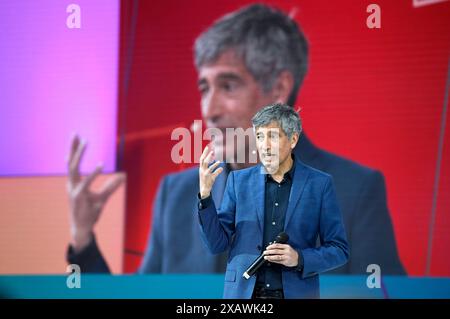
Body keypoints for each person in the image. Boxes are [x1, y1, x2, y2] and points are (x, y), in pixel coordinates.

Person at [67, 3, 405, 275]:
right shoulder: (178, 194)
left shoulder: (354, 190)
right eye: (204, 88)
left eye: (228, 86)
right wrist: (83, 238)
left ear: (279, 89)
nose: (209, 110)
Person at [197, 103, 349, 299]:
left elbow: (339, 249)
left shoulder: (319, 184)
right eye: (259, 136)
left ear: (293, 139)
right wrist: (206, 196)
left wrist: (299, 258)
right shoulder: (238, 181)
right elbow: (216, 244)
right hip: (244, 296)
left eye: (273, 136)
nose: (264, 146)